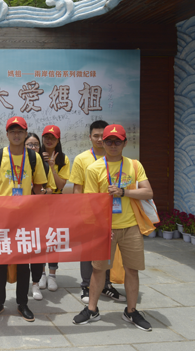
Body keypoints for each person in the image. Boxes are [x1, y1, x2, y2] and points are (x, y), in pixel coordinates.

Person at [73, 124, 154, 331]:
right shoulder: (94, 168)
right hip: (105, 228)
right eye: (108, 141)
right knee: (98, 270)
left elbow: (148, 192)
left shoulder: (134, 165)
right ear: (102, 142)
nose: (112, 144)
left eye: (117, 141)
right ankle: (92, 309)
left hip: (131, 226)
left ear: (124, 143)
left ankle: (131, 311)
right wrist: (100, 226)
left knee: (132, 270)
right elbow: (91, 202)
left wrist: (123, 192)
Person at [0, 117, 48, 322]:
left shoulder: (33, 157)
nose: (16, 135)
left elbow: (38, 188)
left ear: (25, 133)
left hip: (25, 219)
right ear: (7, 134)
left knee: (23, 264)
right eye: (12, 131)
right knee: (0, 263)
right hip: (2, 219)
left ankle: (22, 303)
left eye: (20, 131)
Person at [70, 120, 125, 304]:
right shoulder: (82, 159)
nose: (100, 139)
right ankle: (86, 286)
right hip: (90, 214)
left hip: (113, 213)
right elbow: (77, 188)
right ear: (90, 137)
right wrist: (81, 213)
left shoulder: (117, 159)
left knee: (107, 251)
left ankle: (106, 285)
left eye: (104, 136)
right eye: (96, 136)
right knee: (88, 252)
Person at [38, 124, 71, 293]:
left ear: (58, 140)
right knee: (40, 237)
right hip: (39, 201)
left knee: (53, 238)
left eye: (53, 137)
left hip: (56, 201)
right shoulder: (35, 156)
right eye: (46, 137)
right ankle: (41, 273)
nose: (49, 140)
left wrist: (51, 166)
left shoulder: (63, 159)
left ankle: (52, 275)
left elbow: (61, 184)